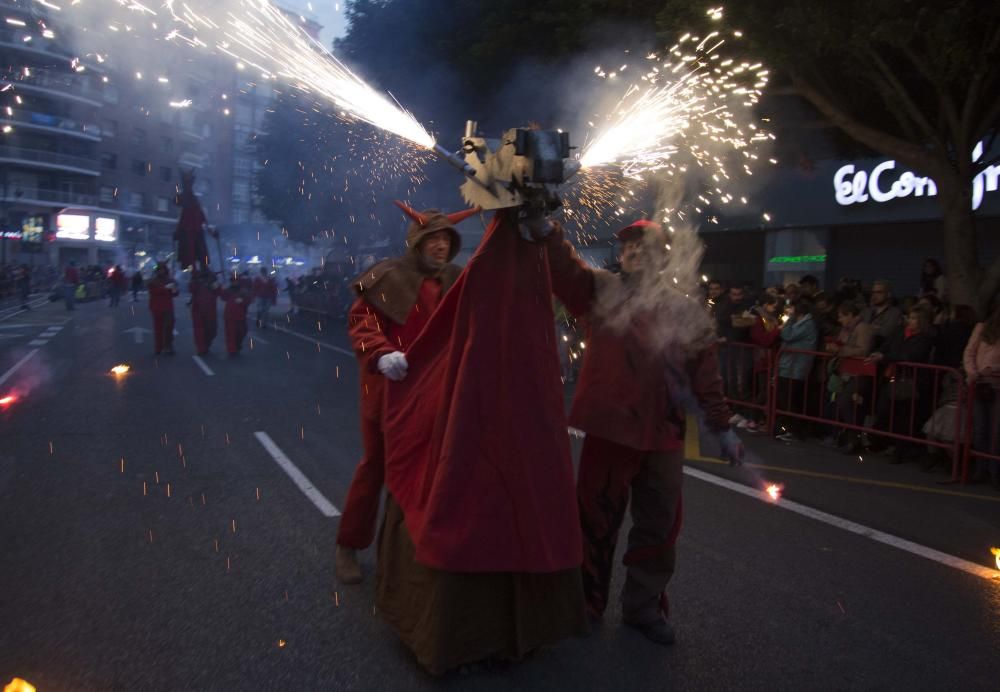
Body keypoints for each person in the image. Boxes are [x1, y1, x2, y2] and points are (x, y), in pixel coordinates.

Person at [545, 217, 743, 646]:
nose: (635, 251)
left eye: (645, 246)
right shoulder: (600, 289)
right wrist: (545, 228)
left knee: (659, 526)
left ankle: (643, 607)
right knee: (594, 521)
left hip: (662, 436)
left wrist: (722, 428)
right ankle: (587, 601)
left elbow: (706, 376)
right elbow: (563, 270)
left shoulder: (686, 309)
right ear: (621, 255)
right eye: (629, 246)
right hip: (610, 430)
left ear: (663, 256)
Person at [334, 202, 477, 585]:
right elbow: (362, 324)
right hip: (388, 394)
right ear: (418, 241)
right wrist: (381, 354)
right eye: (434, 238)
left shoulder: (458, 279)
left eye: (447, 239)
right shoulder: (388, 275)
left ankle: (412, 558)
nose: (442, 246)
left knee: (429, 477)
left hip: (436, 397)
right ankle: (348, 544)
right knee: (375, 470)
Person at [866, 305, 936, 463]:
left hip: (909, 380)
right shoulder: (899, 333)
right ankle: (883, 442)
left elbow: (911, 355)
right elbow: (888, 346)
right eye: (909, 318)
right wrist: (879, 353)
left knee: (903, 416)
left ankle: (900, 449)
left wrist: (885, 357)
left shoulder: (925, 339)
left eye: (913, 318)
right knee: (884, 410)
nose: (909, 321)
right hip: (892, 376)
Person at [829, 301, 875, 453]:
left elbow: (862, 350)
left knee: (846, 402)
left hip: (860, 372)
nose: (839, 320)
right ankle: (850, 438)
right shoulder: (845, 329)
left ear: (850, 315)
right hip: (847, 372)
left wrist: (841, 349)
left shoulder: (862, 328)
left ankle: (854, 438)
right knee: (844, 403)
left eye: (842, 316)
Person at [963, 304, 1000, 489]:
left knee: (996, 431)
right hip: (979, 383)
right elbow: (969, 352)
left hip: (997, 384)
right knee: (980, 428)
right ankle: (980, 468)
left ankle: (994, 471)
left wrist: (993, 370)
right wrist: (973, 372)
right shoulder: (982, 328)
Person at [775, 298, 818, 442]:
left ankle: (795, 431)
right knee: (786, 400)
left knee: (790, 401)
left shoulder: (806, 324)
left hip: (796, 368)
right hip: (789, 366)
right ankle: (789, 429)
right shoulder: (802, 323)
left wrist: (789, 321)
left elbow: (787, 335)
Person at [147, 264, 179, 355]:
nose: (161, 271)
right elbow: (154, 292)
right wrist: (165, 288)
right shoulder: (153, 281)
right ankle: (158, 347)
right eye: (160, 270)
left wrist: (174, 289)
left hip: (168, 307)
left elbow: (175, 294)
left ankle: (168, 346)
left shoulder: (170, 280)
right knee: (158, 328)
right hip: (156, 307)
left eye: (163, 269)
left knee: (169, 327)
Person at [862, 280, 902, 351]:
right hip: (863, 348)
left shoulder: (895, 312)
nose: (875, 295)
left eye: (879, 292)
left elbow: (887, 332)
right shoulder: (866, 311)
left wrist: (866, 328)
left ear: (888, 294)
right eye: (873, 292)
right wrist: (874, 328)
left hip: (880, 350)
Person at [189, 268, 221, 355]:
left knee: (212, 330)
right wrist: (196, 279)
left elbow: (219, 291)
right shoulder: (196, 282)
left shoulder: (213, 281)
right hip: (198, 309)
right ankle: (201, 348)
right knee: (199, 330)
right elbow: (191, 288)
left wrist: (213, 281)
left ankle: (206, 344)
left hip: (210, 309)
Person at [222, 276, 250, 356]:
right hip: (229, 315)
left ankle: (237, 344)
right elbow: (223, 297)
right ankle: (232, 349)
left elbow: (248, 299)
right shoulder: (229, 290)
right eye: (233, 281)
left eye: (236, 281)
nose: (235, 283)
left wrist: (242, 301)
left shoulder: (243, 291)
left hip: (241, 316)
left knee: (242, 331)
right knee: (230, 333)